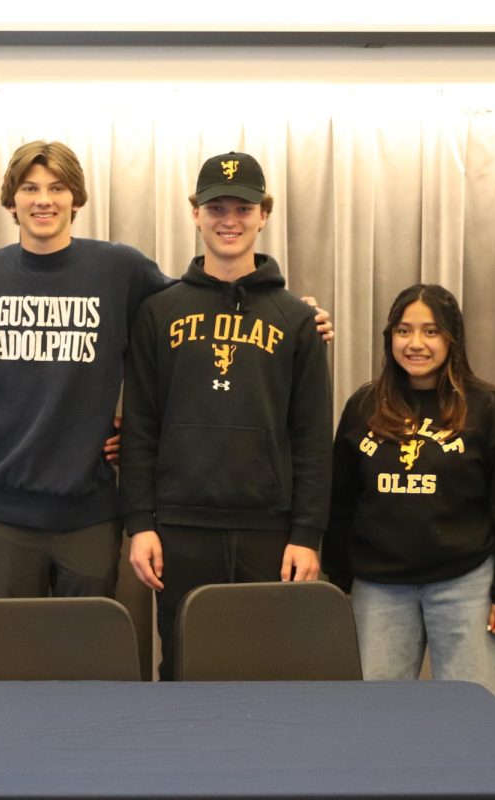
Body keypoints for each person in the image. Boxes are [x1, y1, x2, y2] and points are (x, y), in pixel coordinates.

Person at [119, 151, 333, 680]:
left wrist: (308, 534)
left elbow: (311, 437)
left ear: (264, 213)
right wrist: (140, 523)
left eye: (243, 207)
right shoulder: (158, 312)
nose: (229, 220)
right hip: (180, 527)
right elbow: (141, 425)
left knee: (269, 666)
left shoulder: (297, 319)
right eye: (217, 207)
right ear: (196, 213)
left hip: (269, 529)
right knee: (186, 662)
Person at [0, 141, 172, 598]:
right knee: (4, 656)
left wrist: (287, 312)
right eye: (30, 188)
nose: (44, 200)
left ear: (77, 197)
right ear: (12, 200)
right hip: (3, 510)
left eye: (57, 187)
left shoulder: (119, 268)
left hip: (88, 513)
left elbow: (190, 319)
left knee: (85, 657)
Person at [322, 284, 495, 701]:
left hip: (467, 584)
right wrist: (339, 578)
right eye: (404, 331)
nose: (415, 343)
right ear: (390, 337)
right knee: (373, 715)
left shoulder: (491, 409)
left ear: (452, 338)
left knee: (474, 717)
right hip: (378, 587)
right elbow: (340, 501)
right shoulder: (363, 406)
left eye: (431, 331)